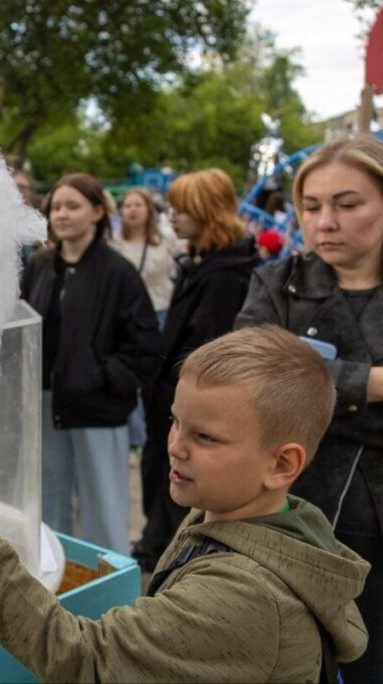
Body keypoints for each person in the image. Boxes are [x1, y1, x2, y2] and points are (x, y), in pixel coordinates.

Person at [0, 326, 370, 683]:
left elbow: (85, 660)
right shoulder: (243, 516)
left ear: (282, 464)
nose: (175, 447)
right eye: (175, 423)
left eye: (205, 437)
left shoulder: (244, 597)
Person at [235, 135, 383, 683]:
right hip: (282, 515)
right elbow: (245, 380)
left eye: (347, 204)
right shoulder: (277, 285)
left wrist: (313, 394)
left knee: (372, 671)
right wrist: (373, 382)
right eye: (312, 206)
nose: (325, 222)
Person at [21, 173, 161, 552]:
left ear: (97, 211)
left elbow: (145, 347)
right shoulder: (41, 266)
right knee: (50, 503)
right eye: (56, 207)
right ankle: (55, 583)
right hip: (48, 403)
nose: (61, 214)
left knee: (104, 509)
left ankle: (110, 595)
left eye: (73, 206)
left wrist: (100, 378)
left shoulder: (118, 273)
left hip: (98, 409)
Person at [134, 168, 259, 571]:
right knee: (159, 475)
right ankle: (157, 545)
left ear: (207, 211)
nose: (173, 217)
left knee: (181, 481)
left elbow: (207, 345)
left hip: (189, 400)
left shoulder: (227, 272)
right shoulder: (203, 261)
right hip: (167, 395)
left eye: (182, 209)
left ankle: (172, 556)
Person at [112, 187, 183, 449]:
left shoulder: (165, 240)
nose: (131, 209)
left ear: (148, 210)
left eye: (137, 205)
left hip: (160, 313)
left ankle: (152, 432)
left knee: (154, 376)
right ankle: (136, 438)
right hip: (126, 318)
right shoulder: (114, 243)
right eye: (127, 205)